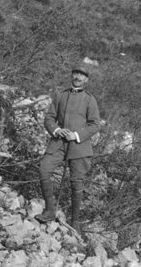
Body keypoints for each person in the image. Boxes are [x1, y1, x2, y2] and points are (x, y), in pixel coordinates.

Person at [36, 64, 101, 228]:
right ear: (72, 75)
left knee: (76, 182)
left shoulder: (89, 99)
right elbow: (49, 118)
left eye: (82, 75)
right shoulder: (60, 96)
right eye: (76, 73)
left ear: (86, 80)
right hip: (59, 143)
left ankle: (75, 222)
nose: (78, 77)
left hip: (79, 146)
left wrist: (76, 135)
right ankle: (49, 210)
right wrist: (57, 130)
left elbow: (95, 125)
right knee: (44, 169)